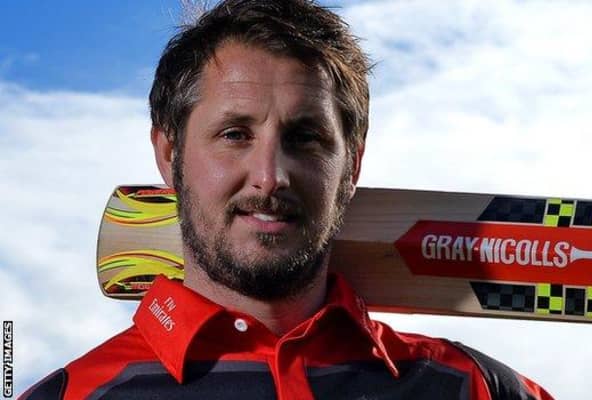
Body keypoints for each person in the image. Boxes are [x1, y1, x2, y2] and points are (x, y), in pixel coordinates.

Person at [22, 1, 554, 398]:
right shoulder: (75, 394)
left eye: (305, 137)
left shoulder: (472, 388)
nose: (270, 176)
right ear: (169, 154)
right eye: (235, 134)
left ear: (352, 165)